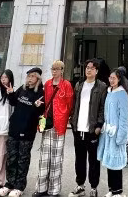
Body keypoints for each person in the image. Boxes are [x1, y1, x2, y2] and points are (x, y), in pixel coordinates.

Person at [0, 67, 45, 197]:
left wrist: (37, 107)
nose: (29, 79)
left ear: (38, 79)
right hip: (14, 128)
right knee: (11, 158)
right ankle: (9, 184)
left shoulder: (40, 93)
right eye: (28, 76)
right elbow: (13, 103)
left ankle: (19, 186)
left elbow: (40, 114)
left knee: (22, 159)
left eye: (32, 76)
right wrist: (11, 93)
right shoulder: (22, 89)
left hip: (27, 131)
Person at [33, 60, 74, 197]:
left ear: (62, 70)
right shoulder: (48, 84)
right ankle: (41, 188)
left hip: (60, 125)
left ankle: (54, 190)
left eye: (57, 69)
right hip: (47, 123)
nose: (54, 71)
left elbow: (70, 104)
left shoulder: (66, 85)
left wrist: (64, 117)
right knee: (44, 157)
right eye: (53, 69)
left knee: (56, 159)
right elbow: (45, 101)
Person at [68, 59, 107, 197]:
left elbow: (103, 108)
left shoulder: (102, 87)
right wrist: (72, 119)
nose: (88, 70)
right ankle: (80, 186)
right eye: (87, 67)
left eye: (91, 68)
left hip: (92, 130)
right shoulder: (79, 85)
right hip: (78, 128)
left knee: (94, 160)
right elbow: (74, 104)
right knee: (79, 159)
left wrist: (99, 125)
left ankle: (94, 187)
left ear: (96, 71)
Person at [97, 67, 128, 197]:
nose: (111, 80)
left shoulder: (122, 94)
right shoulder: (109, 92)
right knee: (109, 163)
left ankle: (118, 191)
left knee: (116, 165)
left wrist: (121, 136)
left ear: (119, 80)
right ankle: (112, 189)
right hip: (108, 133)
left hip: (116, 133)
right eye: (110, 78)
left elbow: (123, 118)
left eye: (114, 78)